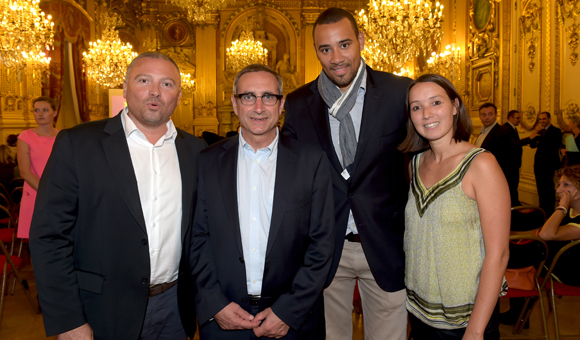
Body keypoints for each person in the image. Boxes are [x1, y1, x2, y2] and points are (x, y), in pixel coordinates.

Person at [29, 52, 205, 340]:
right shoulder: (78, 143)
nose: (155, 92)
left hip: (174, 309)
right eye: (144, 80)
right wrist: (68, 320)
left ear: (179, 95)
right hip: (100, 311)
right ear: (124, 88)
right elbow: (49, 236)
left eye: (167, 84)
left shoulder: (196, 151)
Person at [282, 8, 412, 340]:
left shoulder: (400, 93)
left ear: (361, 41)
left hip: (385, 246)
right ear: (316, 51)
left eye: (344, 45)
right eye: (325, 49)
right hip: (324, 252)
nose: (336, 57)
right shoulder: (298, 103)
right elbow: (291, 178)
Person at [188, 64, 335, 339]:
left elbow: (322, 243)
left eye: (268, 97)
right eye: (248, 97)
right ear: (234, 103)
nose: (259, 107)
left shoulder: (311, 161)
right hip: (224, 317)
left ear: (281, 106)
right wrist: (215, 303)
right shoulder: (207, 161)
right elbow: (197, 237)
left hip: (292, 319)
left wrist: (288, 311)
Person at [399, 74, 510, 340]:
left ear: (455, 106)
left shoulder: (481, 165)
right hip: (420, 313)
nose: (426, 114)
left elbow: (499, 255)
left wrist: (476, 329)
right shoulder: (414, 165)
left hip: (466, 320)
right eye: (416, 107)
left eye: (435, 102)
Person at [16, 96, 59, 239]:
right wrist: (47, 193)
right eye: (36, 110)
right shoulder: (25, 136)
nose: (40, 113)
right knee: (38, 243)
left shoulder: (63, 136)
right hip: (36, 194)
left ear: (54, 113)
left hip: (60, 195)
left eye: (45, 110)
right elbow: (25, 172)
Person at [499, 110, 538, 206]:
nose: (520, 120)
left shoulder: (511, 128)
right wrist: (530, 138)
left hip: (513, 163)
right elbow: (514, 144)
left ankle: (515, 204)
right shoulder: (506, 129)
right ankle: (514, 205)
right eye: (517, 118)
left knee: (513, 185)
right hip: (509, 164)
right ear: (510, 118)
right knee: (511, 186)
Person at [530, 112, 562, 215]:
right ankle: (542, 208)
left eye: (544, 119)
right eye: (540, 119)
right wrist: (536, 133)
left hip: (549, 164)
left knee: (548, 187)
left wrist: (541, 138)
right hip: (538, 164)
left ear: (549, 119)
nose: (542, 121)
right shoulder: (539, 131)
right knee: (540, 187)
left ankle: (549, 210)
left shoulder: (555, 131)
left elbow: (552, 146)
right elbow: (532, 145)